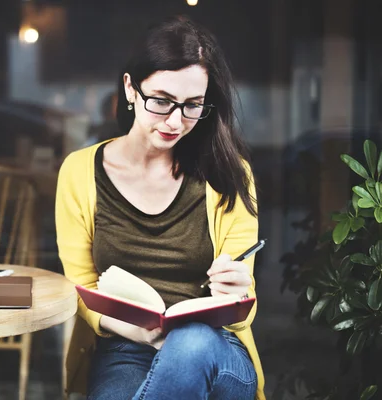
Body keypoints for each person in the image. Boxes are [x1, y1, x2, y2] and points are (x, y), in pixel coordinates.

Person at [55, 14, 264, 400]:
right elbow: (80, 286)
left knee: (191, 344)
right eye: (162, 102)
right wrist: (135, 330)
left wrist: (238, 292)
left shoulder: (229, 174)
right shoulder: (80, 172)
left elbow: (243, 311)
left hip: (216, 349)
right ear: (130, 89)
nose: (176, 121)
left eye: (193, 106)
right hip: (125, 348)